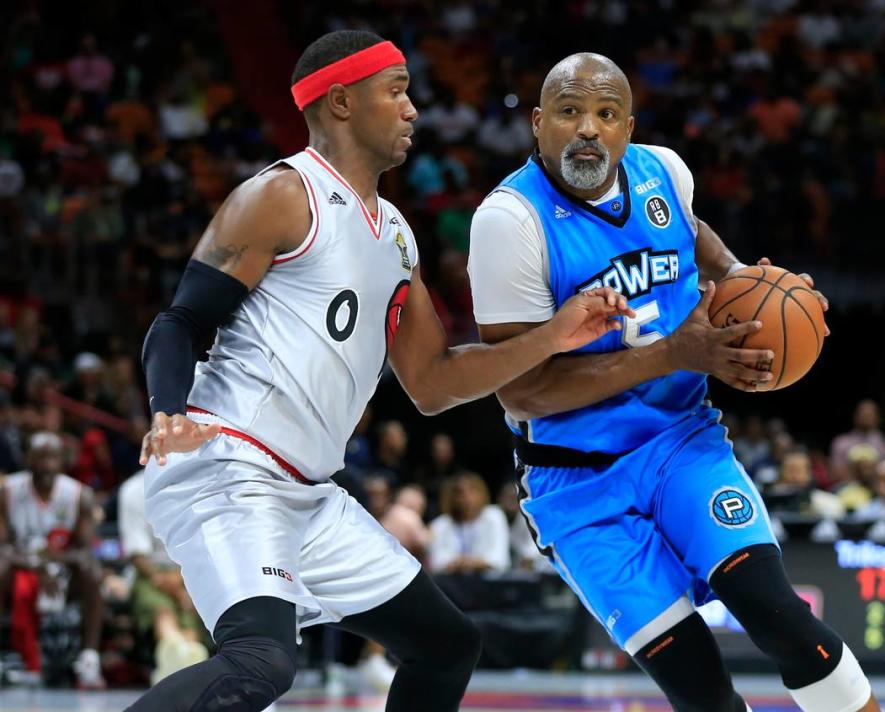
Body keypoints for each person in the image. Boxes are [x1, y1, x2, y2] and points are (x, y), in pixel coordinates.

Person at [130, 31, 632, 712]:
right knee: (259, 662)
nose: (412, 108)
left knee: (447, 643)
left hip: (310, 491)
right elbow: (179, 323)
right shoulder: (284, 195)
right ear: (341, 101)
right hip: (231, 466)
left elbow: (431, 383)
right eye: (395, 90)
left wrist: (553, 335)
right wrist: (168, 410)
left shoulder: (395, 233)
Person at [468, 52, 879, 712]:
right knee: (704, 696)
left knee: (789, 627)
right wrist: (675, 353)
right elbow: (521, 392)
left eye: (606, 114)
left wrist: (755, 287)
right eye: (570, 112)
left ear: (628, 128)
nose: (588, 130)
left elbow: (692, 234)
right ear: (538, 124)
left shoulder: (665, 172)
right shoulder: (509, 223)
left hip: (681, 442)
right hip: (577, 483)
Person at [0, 431, 105, 688]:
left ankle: (88, 660)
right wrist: (38, 564)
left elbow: (83, 551)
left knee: (92, 570)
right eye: (40, 457)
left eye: (53, 458)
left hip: (63, 573)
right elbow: (2, 546)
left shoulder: (79, 494)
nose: (47, 465)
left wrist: (50, 562)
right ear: (28, 458)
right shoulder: (7, 492)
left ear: (63, 460)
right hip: (20, 567)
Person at [118, 470, 209, 684]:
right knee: (161, 609)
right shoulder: (133, 490)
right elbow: (137, 555)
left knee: (193, 611)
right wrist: (171, 585)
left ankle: (179, 662)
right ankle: (180, 653)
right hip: (151, 574)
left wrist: (182, 581)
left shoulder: (202, 482)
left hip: (192, 570)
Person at [428, 472, 510, 574]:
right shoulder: (440, 525)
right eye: (460, 493)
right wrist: (458, 563)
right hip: (452, 583)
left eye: (472, 491)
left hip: (488, 583)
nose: (467, 498)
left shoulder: (494, 516)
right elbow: (436, 563)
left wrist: (473, 563)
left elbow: (500, 560)